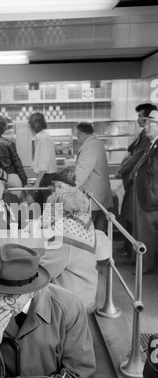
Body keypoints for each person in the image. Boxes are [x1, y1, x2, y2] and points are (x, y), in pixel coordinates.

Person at [0, 243, 96, 378]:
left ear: (33, 291)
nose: (0, 304)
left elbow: (79, 375)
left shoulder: (69, 308)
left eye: (10, 297)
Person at [40, 187, 98, 314]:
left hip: (72, 301)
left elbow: (45, 272)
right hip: (86, 292)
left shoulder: (64, 237)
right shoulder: (85, 222)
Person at [115, 103, 157, 258]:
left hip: (143, 190)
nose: (140, 121)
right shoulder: (144, 136)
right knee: (131, 220)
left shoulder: (149, 140)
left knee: (138, 223)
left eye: (141, 117)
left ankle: (136, 256)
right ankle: (130, 251)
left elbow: (137, 158)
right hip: (135, 184)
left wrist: (123, 170)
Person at [129, 109, 158, 274]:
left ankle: (146, 265)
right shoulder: (151, 144)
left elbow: (153, 169)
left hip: (151, 196)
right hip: (144, 195)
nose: (146, 126)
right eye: (146, 122)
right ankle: (141, 262)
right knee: (141, 232)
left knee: (148, 233)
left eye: (150, 123)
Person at [74, 122, 113, 231]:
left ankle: (92, 247)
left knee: (89, 228)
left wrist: (69, 188)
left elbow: (82, 170)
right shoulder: (96, 143)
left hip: (94, 194)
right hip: (97, 193)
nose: (77, 139)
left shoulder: (91, 146)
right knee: (99, 227)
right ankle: (98, 247)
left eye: (77, 135)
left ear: (81, 134)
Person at [28, 112, 57, 208]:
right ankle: (43, 222)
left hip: (46, 177)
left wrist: (37, 183)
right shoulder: (41, 137)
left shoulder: (44, 138)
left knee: (49, 207)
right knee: (42, 206)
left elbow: (43, 164)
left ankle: (51, 223)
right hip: (45, 177)